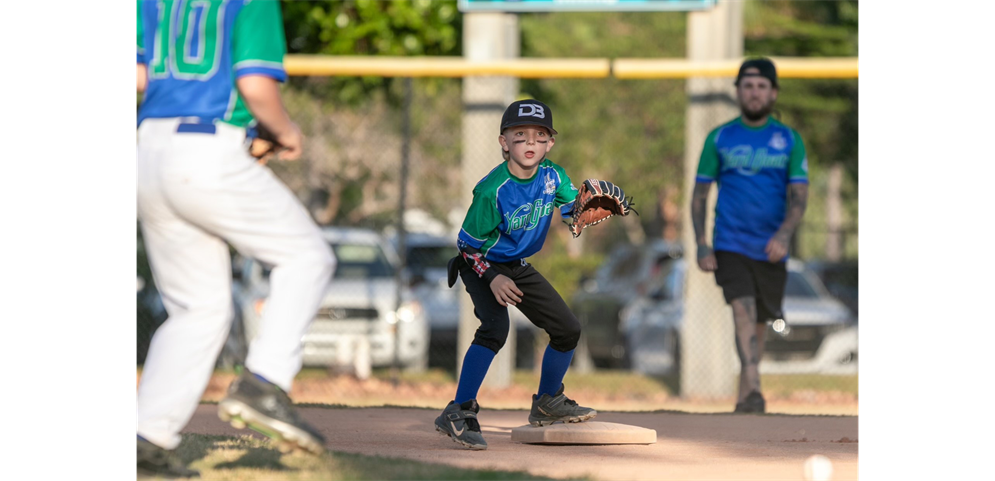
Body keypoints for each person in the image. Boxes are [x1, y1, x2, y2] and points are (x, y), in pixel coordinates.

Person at [135, 1, 336, 477]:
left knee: (199, 309)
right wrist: (285, 132)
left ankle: (146, 437)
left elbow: (141, 78)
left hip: (148, 150)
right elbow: (255, 85)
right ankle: (263, 382)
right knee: (308, 257)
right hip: (206, 151)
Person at [436, 99, 603, 450]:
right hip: (480, 262)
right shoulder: (492, 190)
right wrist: (493, 277)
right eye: (520, 134)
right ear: (504, 142)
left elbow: (572, 207)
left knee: (567, 328)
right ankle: (459, 410)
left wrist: (587, 207)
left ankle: (547, 402)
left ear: (550, 144)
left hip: (516, 265)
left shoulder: (552, 175)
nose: (530, 143)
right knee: (496, 329)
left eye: (540, 136)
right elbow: (466, 245)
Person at [690, 57, 809, 414]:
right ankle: (755, 388)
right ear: (738, 92)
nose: (754, 93)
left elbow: (800, 197)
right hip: (730, 242)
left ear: (773, 93)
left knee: (759, 320)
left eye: (761, 86)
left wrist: (785, 235)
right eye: (747, 86)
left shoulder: (789, 140)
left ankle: (746, 399)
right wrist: (701, 242)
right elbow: (699, 196)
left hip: (771, 247)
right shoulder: (720, 137)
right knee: (742, 310)